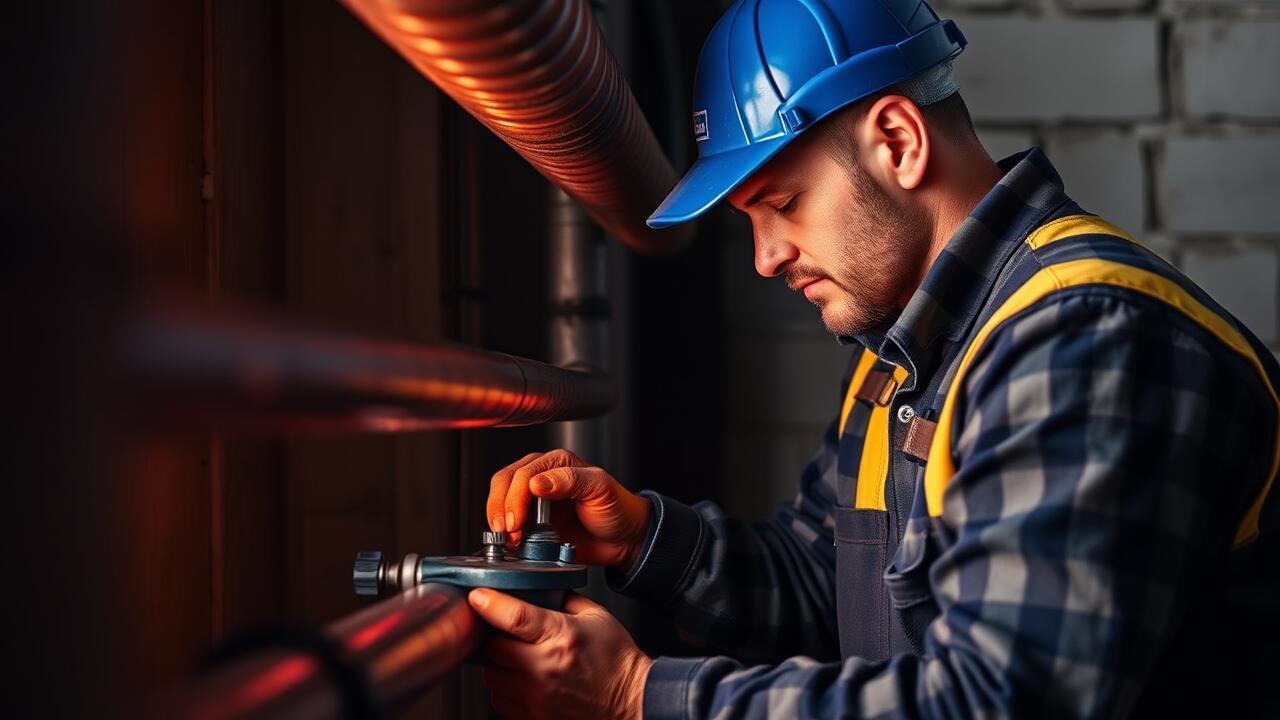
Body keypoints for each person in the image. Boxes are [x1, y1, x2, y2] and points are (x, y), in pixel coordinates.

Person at [467, 0, 1280, 718]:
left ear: (898, 140)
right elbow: (830, 587)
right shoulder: (906, 355)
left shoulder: (1085, 338)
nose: (766, 256)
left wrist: (636, 697)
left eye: (783, 204)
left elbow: (999, 699)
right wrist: (644, 538)